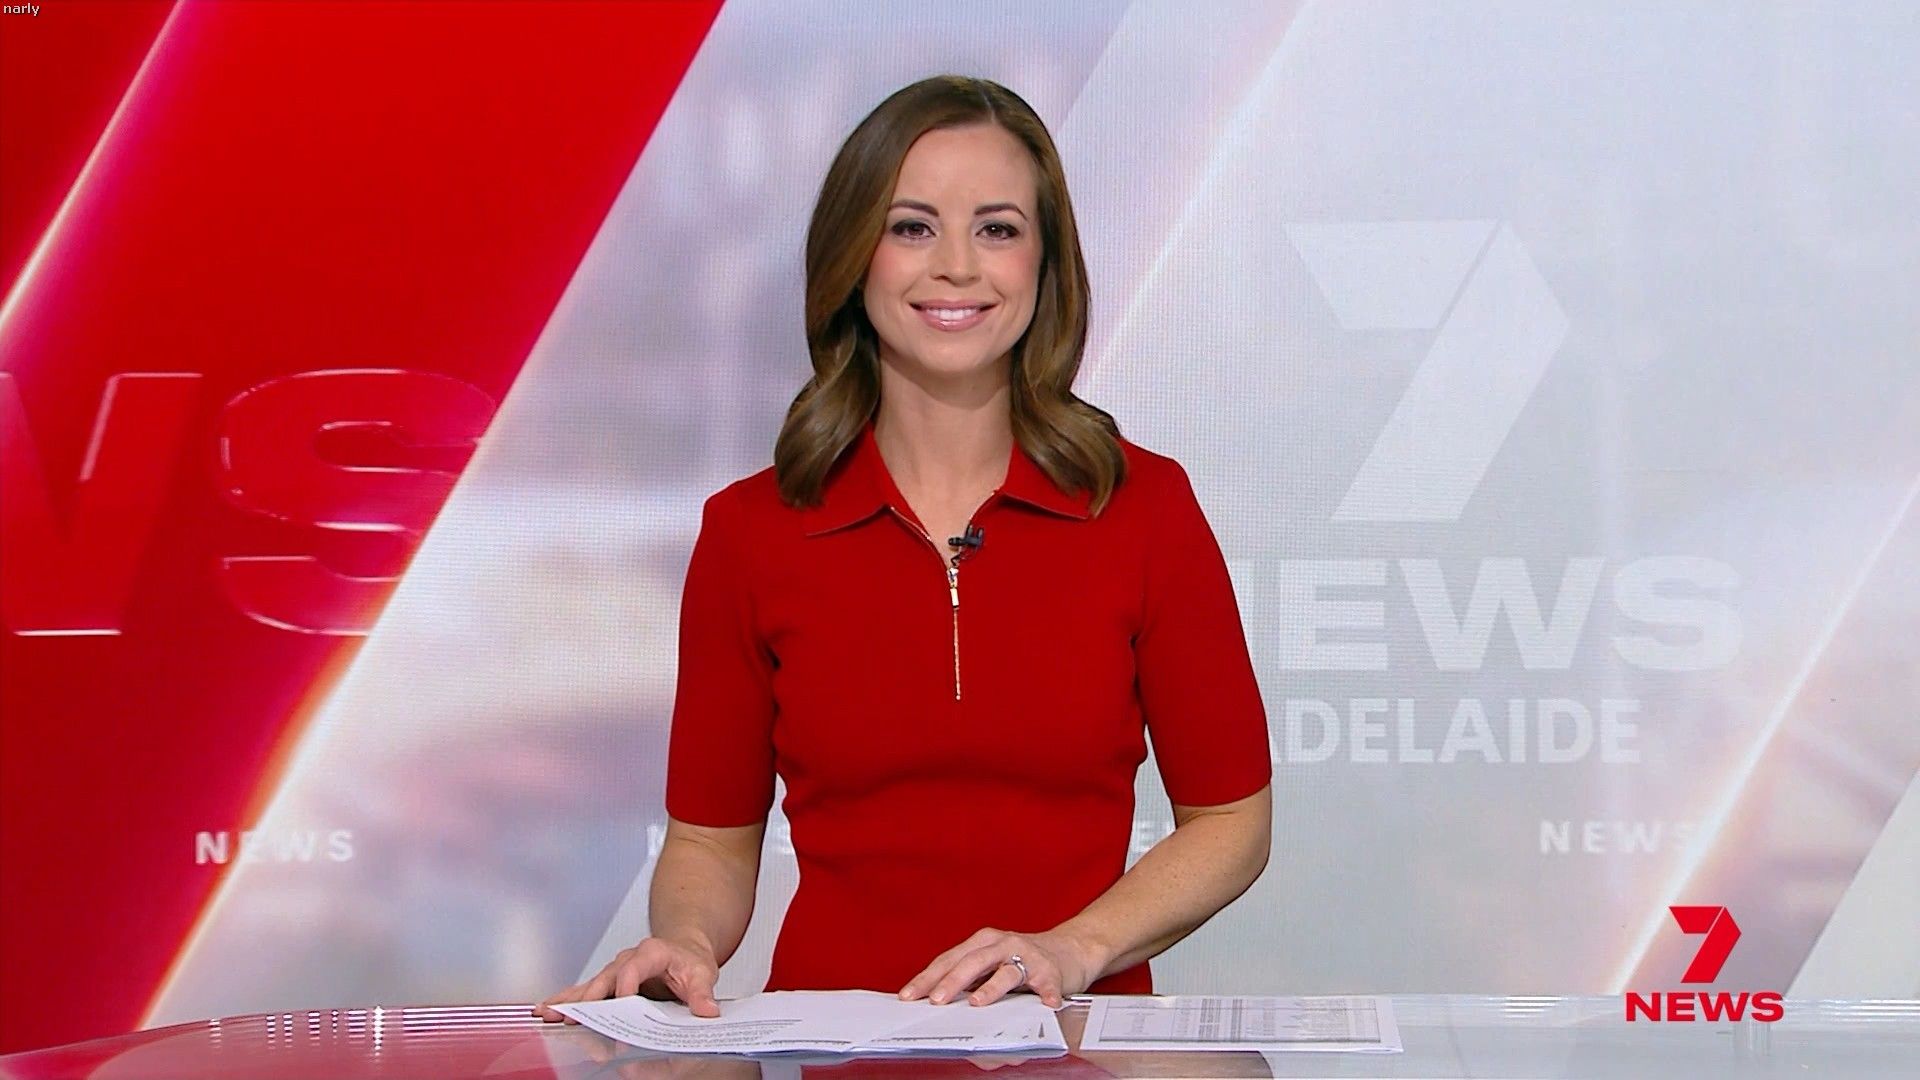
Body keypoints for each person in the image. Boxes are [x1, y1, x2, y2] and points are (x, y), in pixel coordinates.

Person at [535, 74, 1271, 1022]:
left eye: (997, 229)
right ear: (854, 257)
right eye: (912, 227)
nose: (956, 266)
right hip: (824, 1051)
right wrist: (685, 942)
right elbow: (711, 841)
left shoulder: (1144, 508)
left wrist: (1073, 948)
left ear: (1045, 264)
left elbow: (1232, 821)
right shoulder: (750, 531)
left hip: (1075, 1050)